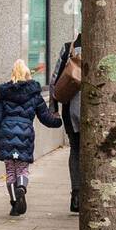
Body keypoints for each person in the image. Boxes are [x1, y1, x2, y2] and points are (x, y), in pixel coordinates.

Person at [0, 59, 62, 215]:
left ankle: (15, 204)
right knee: (22, 169)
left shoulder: (3, 95)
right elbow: (45, 117)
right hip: (25, 134)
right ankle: (22, 187)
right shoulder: (34, 94)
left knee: (10, 171)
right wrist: (58, 122)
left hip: (6, 133)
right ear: (28, 74)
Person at [50, 31, 83, 213]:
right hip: (95, 113)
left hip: (71, 111)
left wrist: (53, 108)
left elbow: (55, 79)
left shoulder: (69, 47)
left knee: (76, 150)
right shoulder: (106, 46)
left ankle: (76, 196)